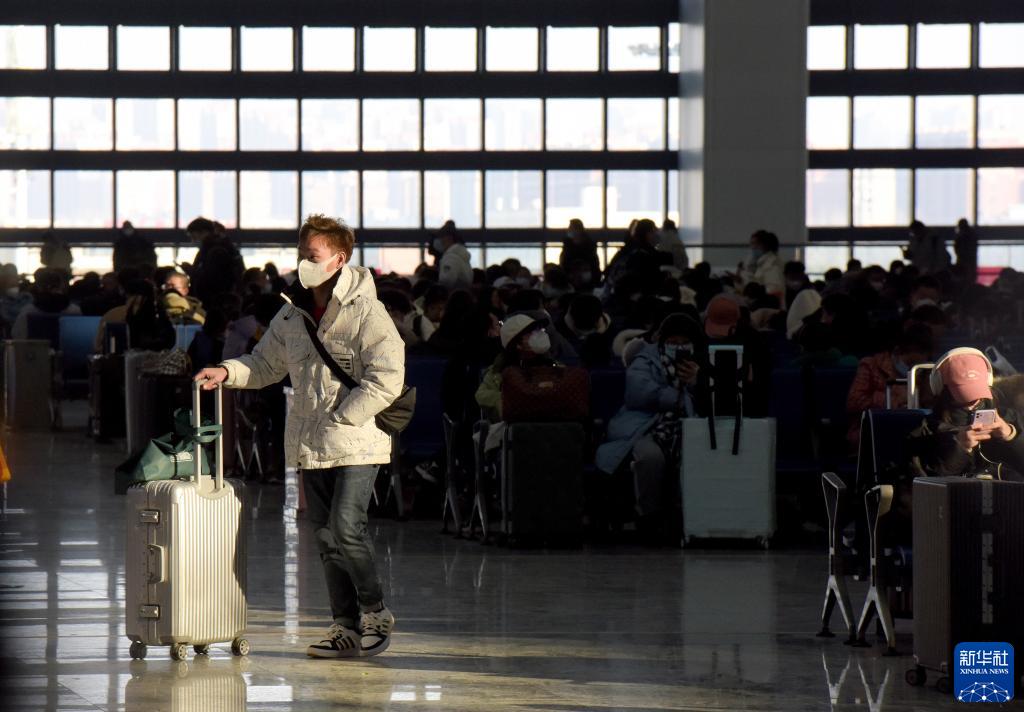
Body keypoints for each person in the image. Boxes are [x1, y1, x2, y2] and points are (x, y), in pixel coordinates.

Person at [195, 214, 404, 659]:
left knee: (347, 527)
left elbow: (387, 377)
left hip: (357, 440)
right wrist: (227, 372)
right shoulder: (291, 313)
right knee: (326, 537)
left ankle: (375, 612)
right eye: (301, 254)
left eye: (313, 255)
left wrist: (344, 417)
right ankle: (344, 625)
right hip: (311, 441)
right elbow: (265, 364)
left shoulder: (367, 311)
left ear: (338, 260)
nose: (304, 262)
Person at [595, 314, 703, 543]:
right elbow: (638, 393)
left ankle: (687, 517)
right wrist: (677, 397)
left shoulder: (704, 364)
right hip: (644, 426)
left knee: (692, 456)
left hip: (690, 426)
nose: (678, 347)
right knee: (650, 457)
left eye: (684, 342)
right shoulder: (645, 360)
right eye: (673, 342)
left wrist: (698, 383)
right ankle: (649, 516)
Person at [910, 348, 1024, 482]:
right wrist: (959, 449)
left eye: (978, 390)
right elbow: (924, 483)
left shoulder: (1010, 418)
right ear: (942, 388)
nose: (974, 400)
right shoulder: (926, 431)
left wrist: (1011, 436)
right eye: (963, 393)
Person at [845, 323, 934, 450]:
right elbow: (853, 401)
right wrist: (893, 400)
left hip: (913, 429)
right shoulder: (871, 366)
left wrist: (926, 385)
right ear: (898, 352)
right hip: (873, 427)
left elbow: (928, 404)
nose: (910, 368)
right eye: (909, 362)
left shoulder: (924, 371)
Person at [11, 269, 82, 339]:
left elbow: (17, 335)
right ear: (62, 286)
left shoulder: (28, 311)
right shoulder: (75, 311)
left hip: (37, 346)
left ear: (39, 287)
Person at [738, 230, 784, 299]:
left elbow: (774, 288)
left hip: (768, 303)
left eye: (755, 244)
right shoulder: (760, 264)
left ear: (764, 245)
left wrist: (755, 291)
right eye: (751, 244)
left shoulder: (772, 264)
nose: (753, 247)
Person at [559, 219, 601, 291]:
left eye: (571, 228)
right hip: (572, 279)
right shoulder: (568, 246)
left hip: (586, 281)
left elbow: (594, 264)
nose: (569, 230)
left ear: (578, 230)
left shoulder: (589, 246)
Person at [433, 221, 473, 291]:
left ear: (449, 238)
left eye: (441, 237)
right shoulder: (459, 255)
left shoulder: (451, 257)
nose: (439, 241)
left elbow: (446, 281)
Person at [954, 218, 978, 284]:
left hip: (964, 263)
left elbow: (958, 249)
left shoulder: (961, 237)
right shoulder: (972, 236)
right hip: (969, 263)